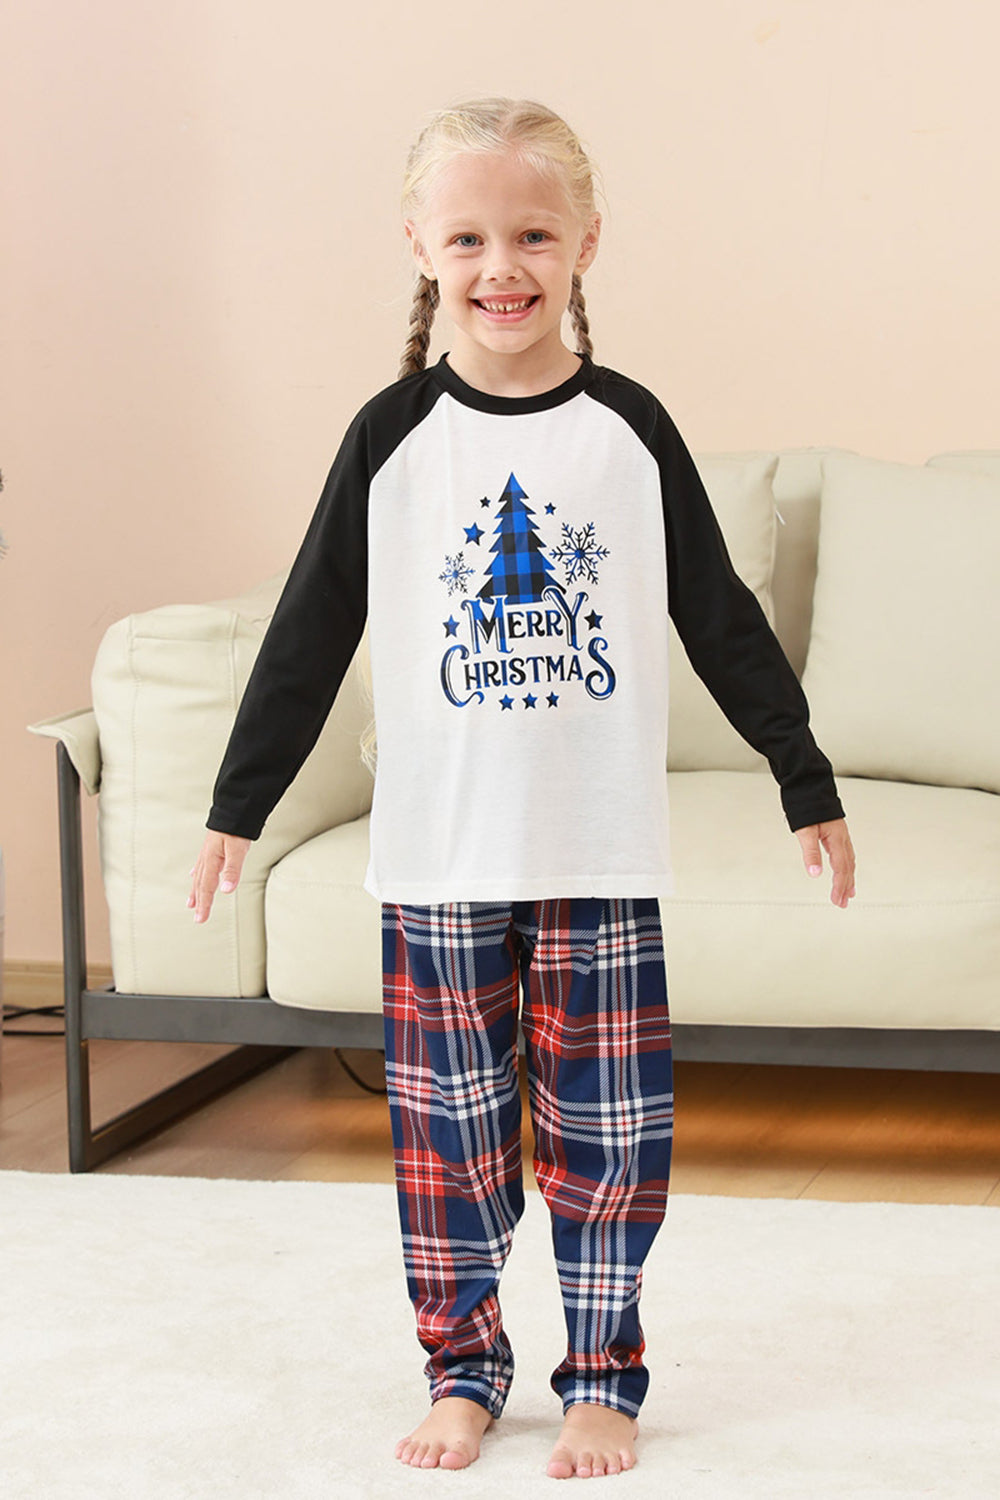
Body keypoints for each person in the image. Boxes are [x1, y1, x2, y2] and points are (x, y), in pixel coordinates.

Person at [188, 97, 856, 1480]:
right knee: (451, 1148)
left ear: (587, 244)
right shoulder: (390, 437)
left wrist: (804, 777)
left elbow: (719, 615)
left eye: (536, 235)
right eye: (471, 238)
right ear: (420, 246)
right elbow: (311, 630)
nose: (504, 266)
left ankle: (603, 1377)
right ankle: (464, 1371)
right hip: (439, 863)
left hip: (596, 858)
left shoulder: (627, 430)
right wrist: (235, 809)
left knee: (609, 1141)